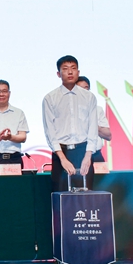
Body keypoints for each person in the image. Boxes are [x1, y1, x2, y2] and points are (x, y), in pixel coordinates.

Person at [42, 56, 99, 192]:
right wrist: (62, 158)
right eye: (65, 69)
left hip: (83, 151)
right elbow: (50, 131)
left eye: (73, 68)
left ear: (78, 72)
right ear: (58, 74)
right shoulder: (50, 98)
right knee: (61, 195)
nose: (70, 72)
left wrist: (88, 156)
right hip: (61, 151)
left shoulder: (89, 97)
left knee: (86, 196)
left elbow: (93, 127)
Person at [76, 76, 111, 164]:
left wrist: (92, 124)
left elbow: (108, 136)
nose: (84, 92)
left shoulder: (97, 110)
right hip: (77, 156)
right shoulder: (69, 111)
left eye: (86, 88)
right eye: (80, 89)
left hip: (96, 155)